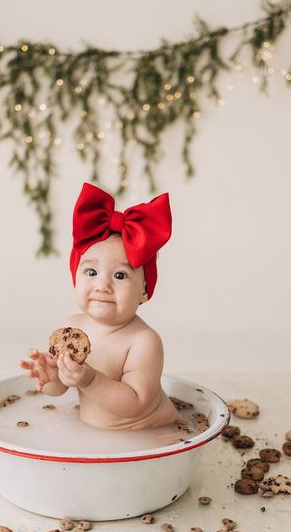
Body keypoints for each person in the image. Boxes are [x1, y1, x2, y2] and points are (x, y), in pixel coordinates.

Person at [19, 182, 178, 430]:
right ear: (75, 279)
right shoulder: (71, 328)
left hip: (148, 434)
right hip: (97, 436)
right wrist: (51, 377)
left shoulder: (143, 341)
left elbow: (137, 403)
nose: (102, 285)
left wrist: (90, 380)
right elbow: (60, 387)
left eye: (120, 276)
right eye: (91, 271)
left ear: (145, 291)